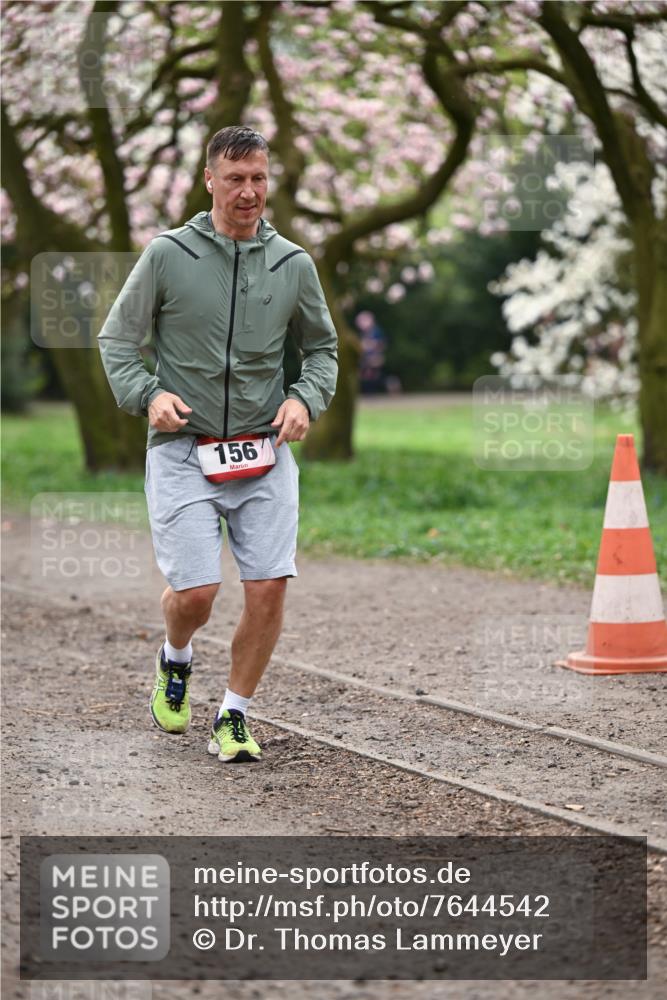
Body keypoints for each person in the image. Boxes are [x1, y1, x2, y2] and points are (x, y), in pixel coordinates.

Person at [98, 125, 338, 763]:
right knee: (196, 594)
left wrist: (303, 399)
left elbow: (322, 349)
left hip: (264, 452)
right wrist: (148, 395)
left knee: (269, 587)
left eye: (258, 178)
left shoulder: (293, 263)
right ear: (210, 181)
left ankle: (233, 715)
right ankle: (175, 657)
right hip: (184, 449)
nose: (248, 191)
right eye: (235, 179)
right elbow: (117, 340)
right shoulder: (168, 254)